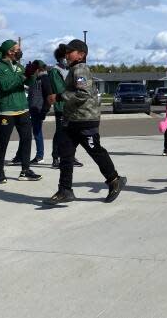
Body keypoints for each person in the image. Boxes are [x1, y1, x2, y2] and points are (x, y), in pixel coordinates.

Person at [44, 39, 126, 205]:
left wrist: (59, 97)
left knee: (95, 151)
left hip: (85, 120)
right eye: (65, 52)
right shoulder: (74, 69)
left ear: (81, 54)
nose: (66, 55)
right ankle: (65, 190)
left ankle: (115, 180)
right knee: (65, 154)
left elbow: (83, 94)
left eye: (70, 52)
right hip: (72, 120)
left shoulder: (80, 69)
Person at [0, 39, 42, 183]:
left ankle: (25, 171)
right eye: (17, 49)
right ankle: (0, 173)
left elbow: (28, 83)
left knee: (26, 139)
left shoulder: (18, 66)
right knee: (3, 141)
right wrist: (23, 76)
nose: (19, 51)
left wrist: (32, 74)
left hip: (23, 108)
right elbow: (5, 86)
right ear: (9, 51)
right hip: (7, 110)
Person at [48, 46, 82, 168]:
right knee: (60, 133)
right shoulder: (55, 71)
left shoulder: (71, 69)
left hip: (72, 106)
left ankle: (69, 156)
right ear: (60, 57)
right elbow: (60, 90)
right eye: (65, 56)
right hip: (62, 107)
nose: (67, 58)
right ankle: (56, 157)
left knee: (72, 133)